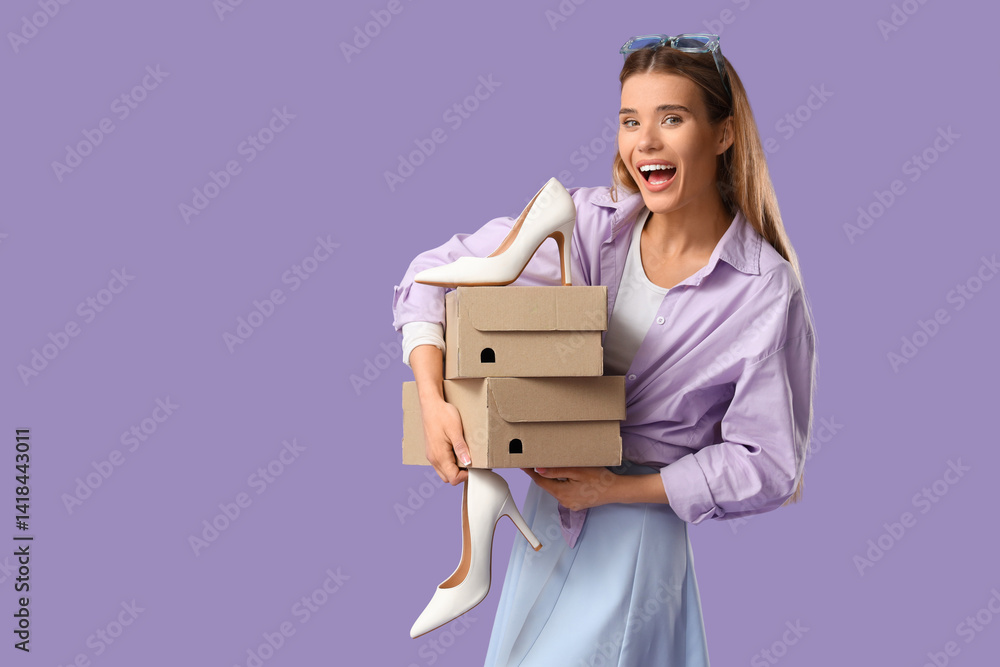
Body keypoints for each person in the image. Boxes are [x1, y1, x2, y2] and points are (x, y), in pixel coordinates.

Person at [391, 33, 818, 666]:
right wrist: (431, 399)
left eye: (671, 118)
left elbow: (770, 464)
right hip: (550, 522)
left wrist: (613, 491)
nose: (645, 141)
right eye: (629, 121)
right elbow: (432, 274)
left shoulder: (761, 289)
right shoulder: (590, 227)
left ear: (723, 134)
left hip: (635, 536)